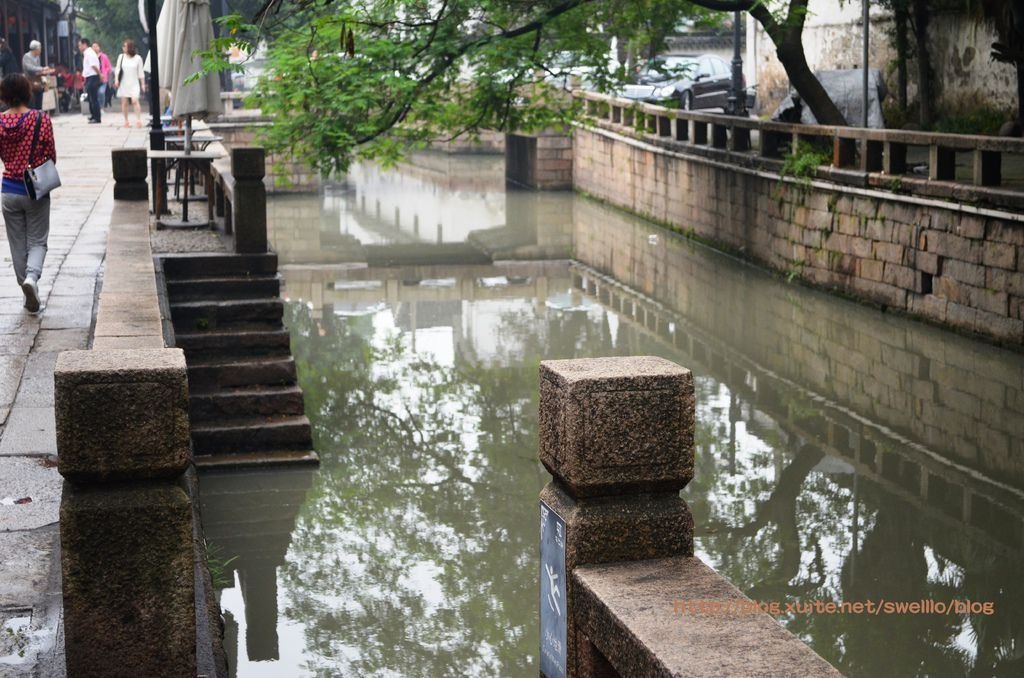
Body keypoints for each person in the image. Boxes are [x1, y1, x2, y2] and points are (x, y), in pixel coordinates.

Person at [0, 73, 56, 314]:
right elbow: (51, 154)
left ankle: (26, 288)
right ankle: (31, 279)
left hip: (9, 189)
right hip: (35, 189)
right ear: (27, 92)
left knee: (17, 243)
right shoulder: (40, 119)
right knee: (38, 240)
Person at [114, 40, 145, 128]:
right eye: (123, 46)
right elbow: (118, 69)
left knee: (135, 100)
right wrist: (116, 80)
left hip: (134, 82)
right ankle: (126, 120)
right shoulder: (121, 57)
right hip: (124, 82)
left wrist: (142, 84)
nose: (123, 48)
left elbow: (140, 72)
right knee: (124, 103)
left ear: (130, 47)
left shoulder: (138, 58)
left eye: (125, 46)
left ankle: (138, 120)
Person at [22, 41, 53, 110]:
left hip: (37, 81)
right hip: (30, 81)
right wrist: (42, 68)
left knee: (39, 100)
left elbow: (37, 70)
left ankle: (38, 115)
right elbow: (30, 68)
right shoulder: (26, 56)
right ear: (35, 49)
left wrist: (43, 73)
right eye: (39, 49)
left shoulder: (37, 57)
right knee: (32, 102)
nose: (40, 51)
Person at [79, 38, 101, 123]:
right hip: (89, 77)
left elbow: (93, 66)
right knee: (90, 98)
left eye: (80, 45)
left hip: (93, 76)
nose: (79, 47)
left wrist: (100, 74)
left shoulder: (89, 53)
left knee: (94, 98)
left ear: (84, 44)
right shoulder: (87, 53)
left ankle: (97, 117)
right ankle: (93, 115)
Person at [92, 42, 111, 110]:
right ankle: (96, 109)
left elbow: (109, 67)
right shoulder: (91, 57)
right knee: (95, 94)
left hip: (103, 78)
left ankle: (101, 107)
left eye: (96, 46)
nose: (94, 48)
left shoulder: (104, 56)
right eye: (93, 46)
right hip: (94, 78)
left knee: (101, 92)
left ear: (99, 47)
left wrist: (104, 72)